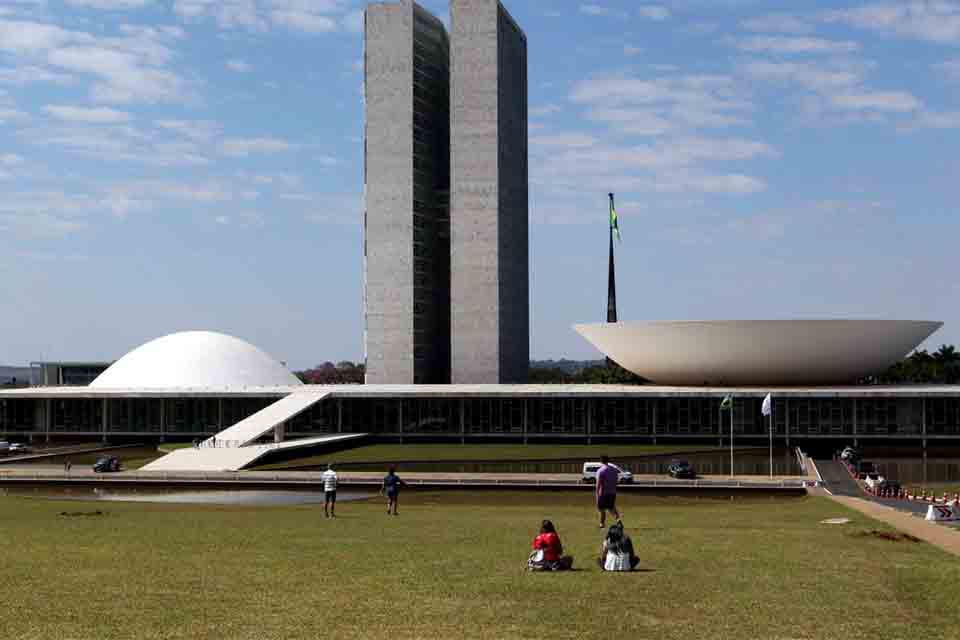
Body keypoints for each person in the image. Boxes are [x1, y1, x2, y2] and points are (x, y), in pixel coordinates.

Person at [596, 455, 622, 528]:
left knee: (601, 508)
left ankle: (602, 524)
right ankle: (618, 520)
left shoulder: (601, 470)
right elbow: (616, 481)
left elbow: (598, 484)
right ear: (608, 460)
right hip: (613, 492)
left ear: (601, 461)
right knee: (611, 508)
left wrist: (597, 494)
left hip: (603, 493)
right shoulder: (614, 470)